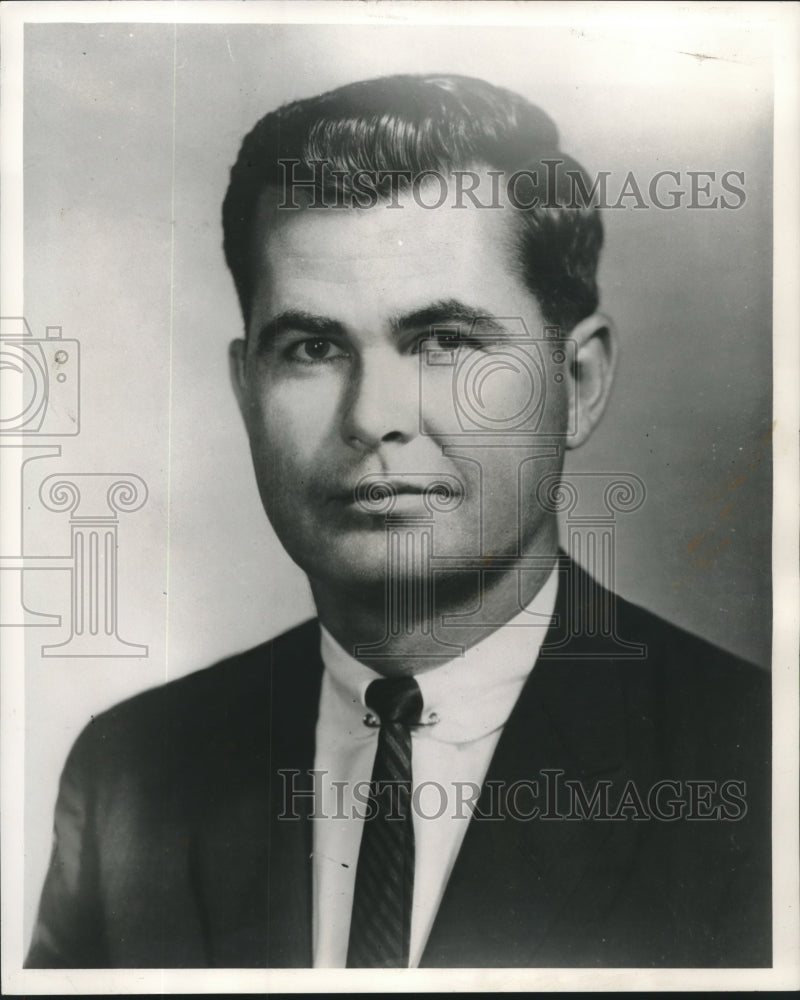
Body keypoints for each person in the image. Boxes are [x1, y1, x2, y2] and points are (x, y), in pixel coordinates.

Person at [26, 73, 770, 970]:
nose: (374, 416)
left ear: (577, 386)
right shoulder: (133, 773)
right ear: (246, 391)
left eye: (446, 342)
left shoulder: (764, 765)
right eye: (312, 348)